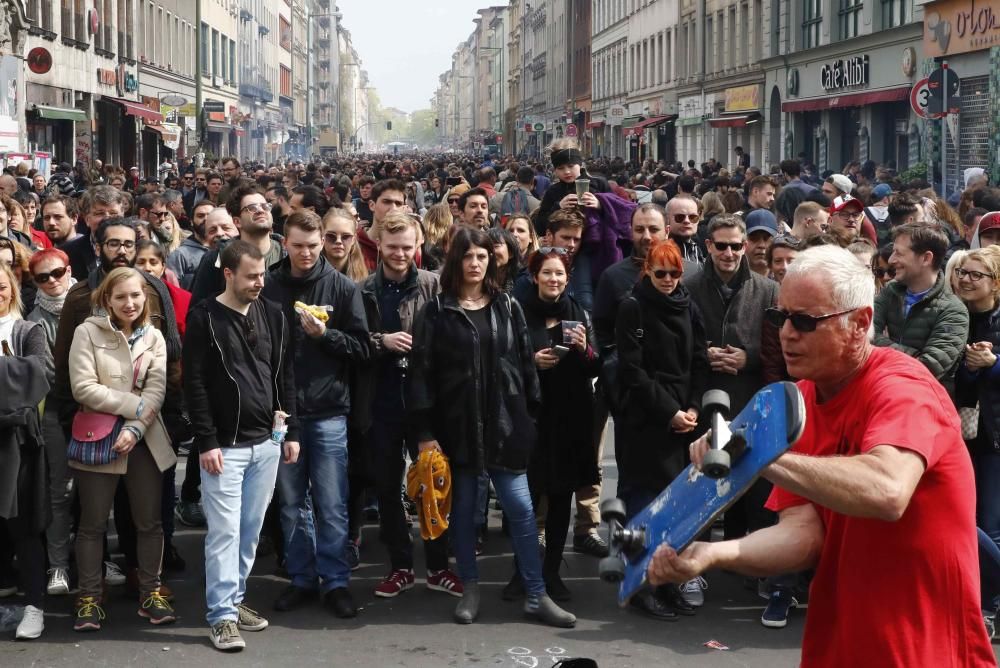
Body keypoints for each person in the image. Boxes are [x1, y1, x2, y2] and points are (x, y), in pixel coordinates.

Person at [647, 244, 997, 667]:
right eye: (780, 317)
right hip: (842, 643)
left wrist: (757, 454)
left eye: (805, 321)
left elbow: (887, 490)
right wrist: (715, 554)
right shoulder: (803, 400)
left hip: (922, 650)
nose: (787, 333)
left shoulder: (904, 386)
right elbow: (804, 534)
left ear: (860, 323)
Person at [407, 227, 575, 628]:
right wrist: (426, 432)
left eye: (482, 256)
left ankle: (536, 593)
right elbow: (421, 376)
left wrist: (527, 417)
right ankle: (470, 588)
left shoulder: (506, 305)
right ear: (456, 261)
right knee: (464, 513)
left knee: (520, 508)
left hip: (505, 424)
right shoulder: (436, 310)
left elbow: (523, 362)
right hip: (456, 427)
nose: (476, 263)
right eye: (468, 257)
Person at [183, 240, 300, 652]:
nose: (259, 282)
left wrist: (291, 430)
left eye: (262, 274)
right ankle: (222, 617)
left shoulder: (274, 313)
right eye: (251, 276)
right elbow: (194, 384)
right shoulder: (204, 317)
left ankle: (234, 600)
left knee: (249, 532)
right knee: (224, 534)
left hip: (267, 443)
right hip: (225, 449)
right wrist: (207, 441)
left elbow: (284, 373)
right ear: (228, 273)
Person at [263, 211, 370, 619]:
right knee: (291, 502)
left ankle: (336, 581)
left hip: (328, 411)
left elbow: (362, 348)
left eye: (314, 245)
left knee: (332, 502)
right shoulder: (269, 286)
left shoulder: (341, 287)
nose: (307, 253)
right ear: (284, 243)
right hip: (283, 413)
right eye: (299, 245)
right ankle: (302, 577)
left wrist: (325, 336)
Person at [358, 211, 461, 601]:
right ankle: (400, 566)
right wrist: (379, 341)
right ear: (379, 245)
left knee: (434, 485)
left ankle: (438, 567)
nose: (400, 254)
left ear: (418, 245)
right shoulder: (363, 289)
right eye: (393, 247)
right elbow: (353, 340)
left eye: (407, 247)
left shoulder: (435, 286)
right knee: (387, 487)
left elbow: (452, 337)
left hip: (428, 402)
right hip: (381, 399)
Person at [68, 267, 177, 631]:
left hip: (144, 438)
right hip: (97, 438)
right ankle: (88, 598)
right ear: (106, 300)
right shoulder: (87, 331)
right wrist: (134, 407)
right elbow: (83, 387)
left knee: (149, 522)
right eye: (120, 297)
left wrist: (135, 427)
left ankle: (151, 593)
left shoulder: (156, 337)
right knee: (92, 524)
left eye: (135, 295)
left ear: (144, 296)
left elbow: (157, 389)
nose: (129, 303)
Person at [616, 239, 709, 620]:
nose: (669, 280)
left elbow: (700, 360)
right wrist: (669, 410)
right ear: (647, 271)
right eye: (661, 273)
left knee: (676, 509)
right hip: (645, 420)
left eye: (675, 273)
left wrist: (692, 407)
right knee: (644, 508)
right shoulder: (632, 306)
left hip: (682, 419)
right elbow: (632, 370)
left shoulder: (689, 306)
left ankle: (667, 583)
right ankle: (641, 585)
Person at [517, 248, 600, 601]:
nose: (554, 279)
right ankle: (522, 573)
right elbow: (504, 361)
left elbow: (595, 367)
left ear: (568, 278)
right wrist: (531, 362)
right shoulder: (518, 312)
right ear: (535, 276)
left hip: (571, 418)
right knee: (526, 500)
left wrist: (583, 350)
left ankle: (551, 571)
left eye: (560, 274)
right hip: (532, 417)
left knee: (562, 497)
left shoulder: (578, 312)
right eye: (547, 273)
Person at [0, 263, 51, 639]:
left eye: (1, 286)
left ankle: (35, 606)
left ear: (13, 290)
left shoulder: (26, 330)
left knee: (25, 527)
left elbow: (39, 375)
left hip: (17, 443)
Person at [25, 249, 75, 598]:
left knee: (97, 492)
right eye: (43, 278)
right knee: (60, 491)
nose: (53, 281)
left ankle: (99, 563)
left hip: (97, 408)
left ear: (68, 269)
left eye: (57, 273)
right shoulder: (32, 320)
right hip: (56, 412)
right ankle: (58, 565)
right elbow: (43, 371)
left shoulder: (90, 301)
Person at [874, 222, 968, 390]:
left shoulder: (954, 311)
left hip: (924, 404)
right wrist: (914, 353)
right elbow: (862, 335)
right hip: (882, 391)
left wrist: (879, 345)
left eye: (899, 253)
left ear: (926, 258)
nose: (891, 260)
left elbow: (927, 368)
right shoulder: (891, 291)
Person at [167, 199, 214, 290]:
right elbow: (172, 291)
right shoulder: (179, 255)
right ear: (192, 221)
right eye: (200, 216)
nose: (206, 219)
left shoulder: (225, 250)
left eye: (210, 215)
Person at [322, 208, 369, 283]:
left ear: (354, 239)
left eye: (346, 236)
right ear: (322, 236)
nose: (338, 241)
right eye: (331, 236)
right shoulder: (308, 274)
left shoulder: (366, 282)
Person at [666, 196, 705, 264]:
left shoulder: (696, 248)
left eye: (693, 217)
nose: (687, 221)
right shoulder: (660, 251)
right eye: (680, 217)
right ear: (667, 219)